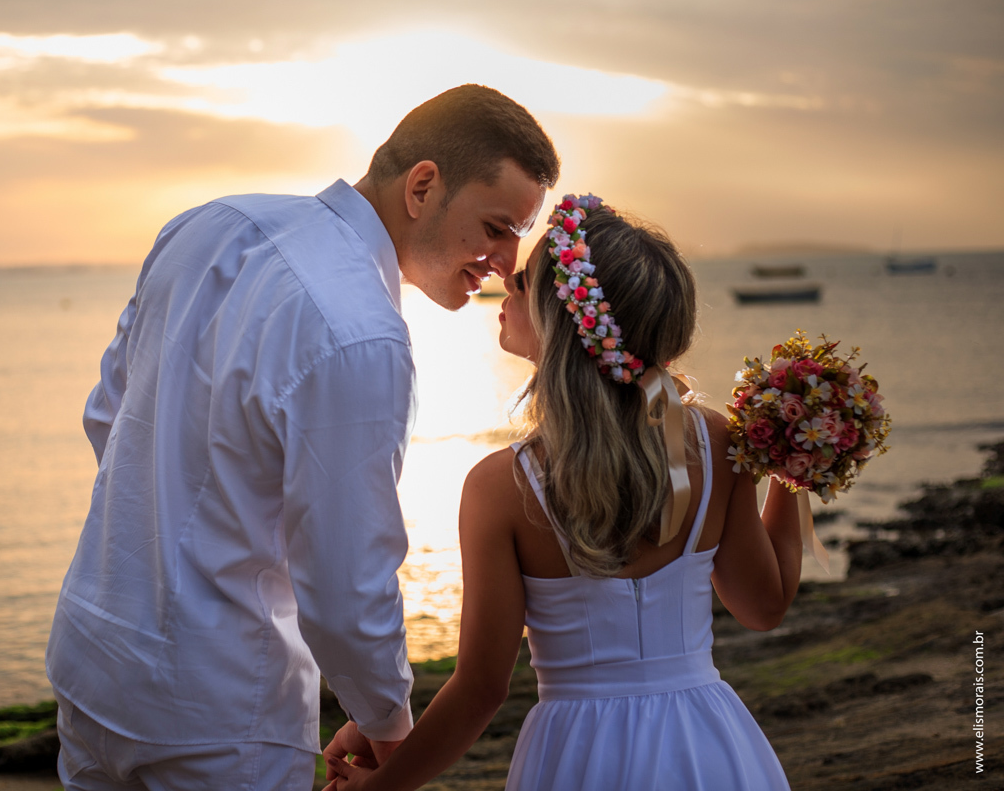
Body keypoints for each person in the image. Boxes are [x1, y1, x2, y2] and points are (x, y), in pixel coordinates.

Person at [44, 84, 560, 790]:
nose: (506, 261)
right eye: (497, 227)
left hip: (93, 657)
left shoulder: (203, 226)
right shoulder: (362, 333)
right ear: (422, 187)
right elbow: (347, 576)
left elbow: (109, 416)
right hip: (217, 710)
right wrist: (387, 721)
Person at [325, 196, 798, 790]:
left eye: (523, 280)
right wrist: (792, 470)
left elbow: (480, 690)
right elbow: (763, 607)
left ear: (562, 320)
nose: (505, 282)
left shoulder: (502, 487)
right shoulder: (717, 443)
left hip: (579, 752)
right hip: (708, 743)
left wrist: (382, 784)